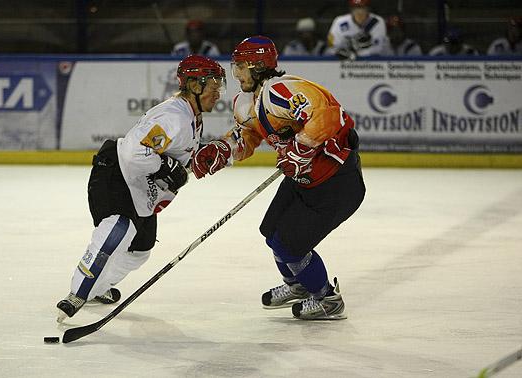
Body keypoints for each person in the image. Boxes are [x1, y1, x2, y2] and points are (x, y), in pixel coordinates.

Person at [190, 36, 366, 320]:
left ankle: (327, 299)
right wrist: (223, 150)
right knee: (271, 232)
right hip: (302, 180)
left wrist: (300, 150)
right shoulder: (247, 102)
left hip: (335, 183)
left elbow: (326, 115)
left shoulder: (282, 90)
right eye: (235, 68)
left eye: (242, 68)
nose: (237, 75)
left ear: (259, 66)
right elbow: (248, 136)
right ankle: (298, 284)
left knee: (289, 245)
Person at [55, 55, 226, 321]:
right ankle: (77, 293)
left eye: (219, 86)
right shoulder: (174, 116)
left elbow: (173, 156)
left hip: (139, 187)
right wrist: (166, 168)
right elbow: (136, 152)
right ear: (194, 85)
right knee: (118, 230)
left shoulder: (191, 115)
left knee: (140, 250)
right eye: (213, 85)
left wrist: (197, 160)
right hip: (117, 175)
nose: (218, 93)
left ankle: (98, 287)